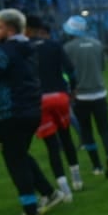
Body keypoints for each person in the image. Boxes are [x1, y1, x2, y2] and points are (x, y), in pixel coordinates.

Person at [0, 9, 62, 215]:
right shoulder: (26, 47)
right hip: (31, 109)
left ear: (10, 29)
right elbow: (8, 59)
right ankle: (49, 193)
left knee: (14, 161)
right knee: (20, 154)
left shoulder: (6, 51)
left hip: (9, 112)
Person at [26, 14, 82, 197]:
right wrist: (72, 89)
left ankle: (64, 189)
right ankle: (77, 179)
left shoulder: (24, 49)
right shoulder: (54, 45)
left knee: (52, 145)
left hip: (39, 99)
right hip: (59, 96)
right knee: (66, 138)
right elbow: (70, 71)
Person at [62, 15, 108, 179]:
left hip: (80, 96)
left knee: (87, 132)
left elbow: (66, 73)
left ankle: (97, 166)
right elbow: (102, 67)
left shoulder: (67, 48)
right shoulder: (97, 44)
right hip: (100, 93)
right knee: (105, 131)